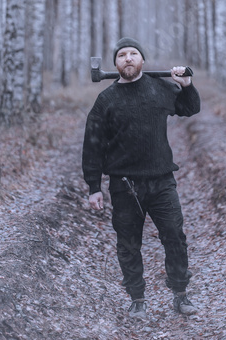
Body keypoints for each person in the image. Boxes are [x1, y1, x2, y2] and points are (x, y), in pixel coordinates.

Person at [82, 37, 201, 320]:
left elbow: (189, 108)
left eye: (133, 53)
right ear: (116, 64)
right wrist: (94, 187)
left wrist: (187, 86)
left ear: (142, 60)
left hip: (161, 181)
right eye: (122, 55)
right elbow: (93, 144)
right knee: (128, 244)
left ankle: (180, 293)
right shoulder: (106, 100)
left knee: (174, 237)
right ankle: (137, 298)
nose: (128, 58)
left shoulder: (159, 88)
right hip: (124, 186)